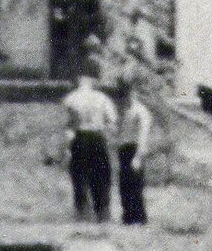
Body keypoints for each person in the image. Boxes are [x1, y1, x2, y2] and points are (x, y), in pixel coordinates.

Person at [61, 68, 117, 222]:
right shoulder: (103, 98)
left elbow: (68, 126)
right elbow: (112, 122)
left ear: (79, 80)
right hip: (97, 137)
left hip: (80, 137)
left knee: (79, 175)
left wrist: (67, 148)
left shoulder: (71, 98)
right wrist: (107, 136)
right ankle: (102, 212)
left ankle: (82, 211)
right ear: (92, 81)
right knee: (101, 175)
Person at [115, 78, 156, 226]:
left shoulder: (141, 112)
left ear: (135, 94)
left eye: (129, 95)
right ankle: (127, 216)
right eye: (124, 96)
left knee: (135, 184)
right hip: (124, 149)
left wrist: (138, 157)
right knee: (124, 185)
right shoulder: (126, 111)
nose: (126, 98)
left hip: (135, 149)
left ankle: (138, 217)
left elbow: (143, 136)